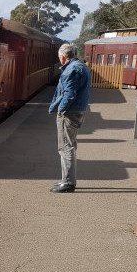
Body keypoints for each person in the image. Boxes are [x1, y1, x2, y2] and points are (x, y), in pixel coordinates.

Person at [48, 43, 91, 192]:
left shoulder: (70, 71)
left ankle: (68, 183)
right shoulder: (81, 66)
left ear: (63, 57)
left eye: (59, 57)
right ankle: (67, 180)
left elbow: (69, 94)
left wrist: (60, 110)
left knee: (65, 147)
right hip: (79, 110)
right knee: (70, 146)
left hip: (70, 113)